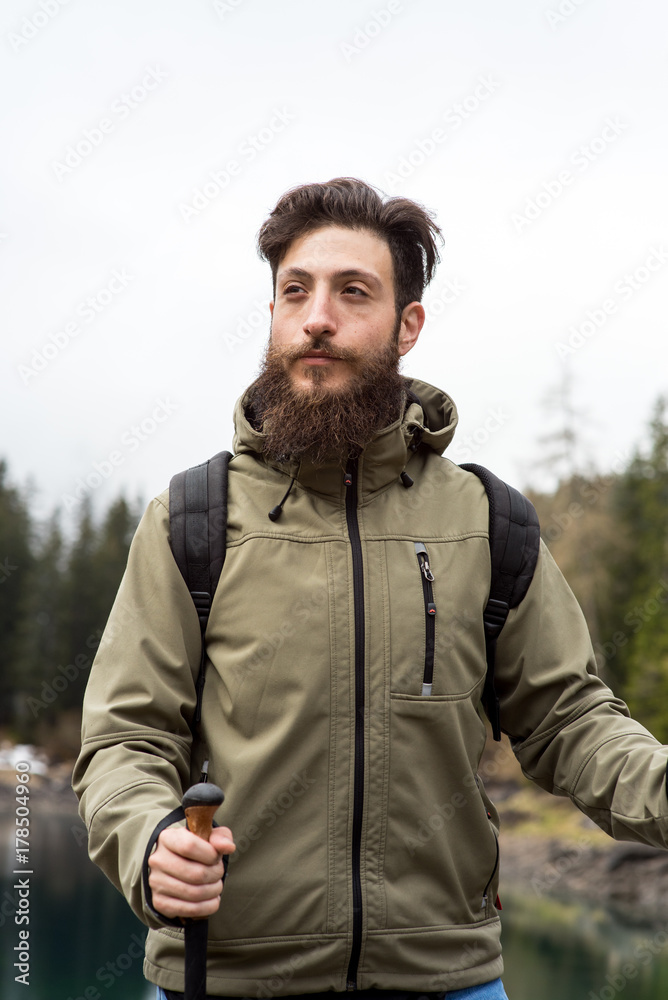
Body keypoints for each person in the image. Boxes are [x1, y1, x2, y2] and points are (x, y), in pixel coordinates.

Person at [73, 177, 668, 1000]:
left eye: (354, 292)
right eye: (295, 291)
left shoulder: (488, 521)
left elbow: (570, 721)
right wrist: (149, 842)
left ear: (407, 325)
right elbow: (124, 741)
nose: (318, 316)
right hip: (225, 978)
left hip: (447, 978)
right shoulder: (191, 519)